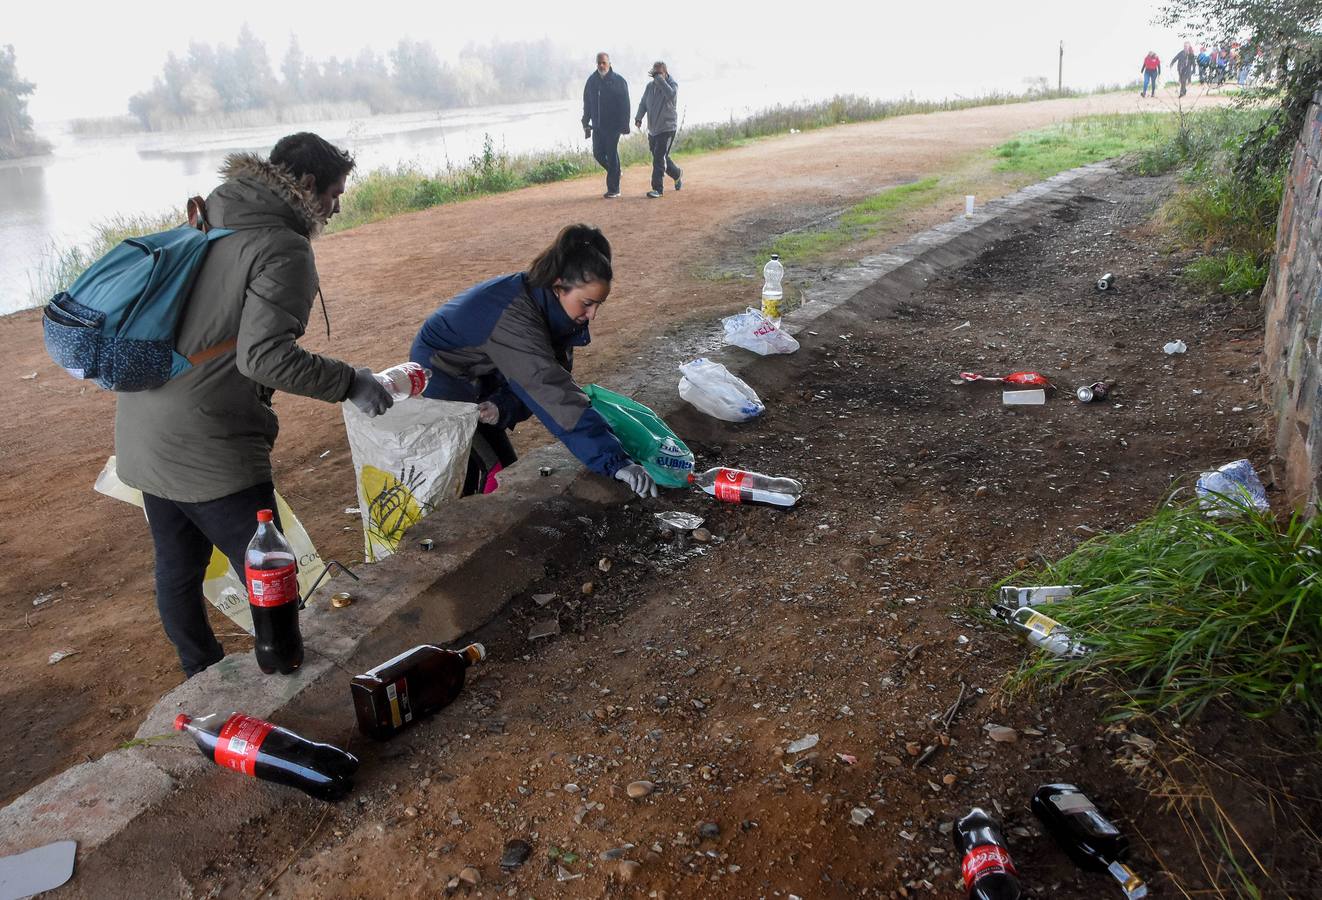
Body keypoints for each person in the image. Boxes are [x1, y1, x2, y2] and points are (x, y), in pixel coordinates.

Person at [115, 132, 395, 677]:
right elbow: (264, 358)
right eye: (335, 194)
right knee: (270, 572)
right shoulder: (282, 247)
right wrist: (352, 381)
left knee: (176, 568)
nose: (337, 208)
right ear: (307, 185)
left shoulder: (207, 214)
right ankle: (286, 675)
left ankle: (202, 678)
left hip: (143, 425)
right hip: (209, 442)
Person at [409, 223, 657, 500]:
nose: (593, 315)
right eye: (587, 303)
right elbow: (550, 389)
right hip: (440, 375)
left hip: (481, 375)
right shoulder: (516, 315)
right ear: (559, 285)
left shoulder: (549, 311)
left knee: (504, 468)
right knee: (483, 471)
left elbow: (550, 375)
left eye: (599, 305)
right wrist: (615, 461)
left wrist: (502, 405)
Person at [581, 53, 631, 199]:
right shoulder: (591, 81)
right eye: (599, 63)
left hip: (614, 126)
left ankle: (614, 189)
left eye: (603, 63)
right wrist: (585, 122)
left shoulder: (619, 81)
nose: (601, 65)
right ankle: (616, 172)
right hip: (597, 125)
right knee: (597, 153)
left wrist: (625, 125)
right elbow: (587, 104)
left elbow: (625, 105)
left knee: (611, 152)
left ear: (609, 63)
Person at [634, 60, 683, 199]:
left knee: (659, 159)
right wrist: (639, 117)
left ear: (666, 73)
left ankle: (657, 189)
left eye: (659, 74)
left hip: (667, 128)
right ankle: (677, 173)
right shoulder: (650, 87)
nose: (656, 77)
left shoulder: (673, 86)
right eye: (654, 74)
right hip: (653, 129)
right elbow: (643, 103)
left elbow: (671, 95)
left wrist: (659, 79)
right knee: (660, 157)